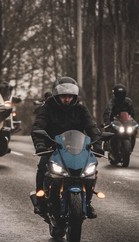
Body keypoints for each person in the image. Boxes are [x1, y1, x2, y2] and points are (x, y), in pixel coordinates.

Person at [31, 76, 103, 218]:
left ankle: (87, 202)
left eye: (70, 96)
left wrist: (98, 144)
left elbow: (91, 126)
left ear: (74, 96)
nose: (67, 99)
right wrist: (40, 144)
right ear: (57, 95)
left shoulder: (80, 109)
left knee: (90, 169)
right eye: (64, 96)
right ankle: (40, 200)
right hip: (53, 147)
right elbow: (38, 126)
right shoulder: (48, 108)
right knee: (43, 166)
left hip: (77, 148)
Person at [103, 84, 136, 149]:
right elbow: (107, 112)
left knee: (134, 131)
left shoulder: (128, 101)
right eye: (118, 94)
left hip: (125, 122)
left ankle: (131, 146)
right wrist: (107, 122)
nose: (120, 96)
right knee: (110, 131)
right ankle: (108, 144)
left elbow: (132, 112)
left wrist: (133, 122)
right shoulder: (112, 102)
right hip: (115, 121)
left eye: (122, 94)